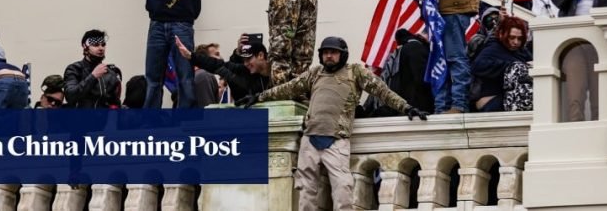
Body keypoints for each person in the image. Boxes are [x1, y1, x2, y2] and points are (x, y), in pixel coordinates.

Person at [239, 37, 427, 211]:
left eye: (333, 52)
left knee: (343, 189)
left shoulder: (355, 72)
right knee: (305, 190)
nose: (329, 55)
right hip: (309, 139)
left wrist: (406, 107)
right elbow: (288, 88)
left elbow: (383, 91)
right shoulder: (315, 73)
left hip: (337, 140)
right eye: (325, 52)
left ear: (342, 54)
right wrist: (258, 97)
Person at [176, 35, 272, 103]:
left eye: (249, 59)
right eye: (244, 60)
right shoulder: (245, 71)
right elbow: (217, 64)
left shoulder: (282, 69)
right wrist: (191, 56)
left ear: (260, 55)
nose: (246, 64)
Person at [361, 28, 434, 117]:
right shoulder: (416, 48)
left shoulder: (399, 52)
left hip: (403, 107)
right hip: (418, 107)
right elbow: (421, 79)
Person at [471, 16, 532, 112]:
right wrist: (510, 66)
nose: (516, 42)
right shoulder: (493, 47)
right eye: (512, 37)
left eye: (519, 39)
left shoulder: (522, 52)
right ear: (501, 34)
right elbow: (478, 65)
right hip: (491, 103)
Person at [63, 30, 122, 109]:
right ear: (85, 46)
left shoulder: (110, 74)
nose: (101, 48)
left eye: (103, 45)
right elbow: (70, 96)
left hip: (103, 120)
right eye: (96, 45)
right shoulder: (74, 69)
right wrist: (93, 76)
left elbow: (115, 103)